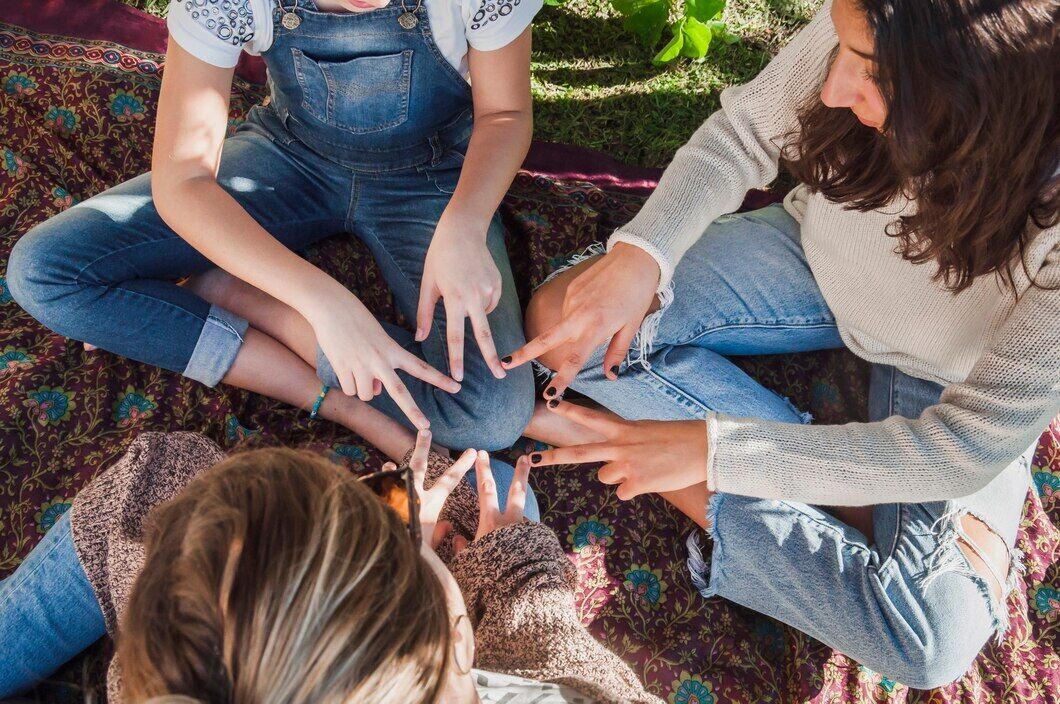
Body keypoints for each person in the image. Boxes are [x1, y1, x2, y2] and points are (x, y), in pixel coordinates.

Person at [504, 0, 1059, 689]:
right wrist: (641, 255)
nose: (832, 90)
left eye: (872, 73)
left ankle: (683, 460)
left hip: (944, 380)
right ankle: (848, 490)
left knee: (931, 640)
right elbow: (743, 132)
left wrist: (712, 453)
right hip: (810, 259)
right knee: (567, 325)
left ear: (986, 90)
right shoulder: (882, 14)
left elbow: (967, 446)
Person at [7, 0, 540, 485]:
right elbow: (183, 179)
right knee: (46, 272)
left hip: (435, 182)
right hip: (288, 160)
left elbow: (505, 114)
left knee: (489, 416)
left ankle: (232, 289)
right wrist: (324, 304)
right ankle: (319, 381)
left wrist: (466, 224)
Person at [0, 428, 661, 703]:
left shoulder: (166, 652)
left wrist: (393, 506)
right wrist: (521, 575)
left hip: (149, 559)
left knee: (169, 484)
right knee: (500, 493)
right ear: (457, 640)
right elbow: (587, 678)